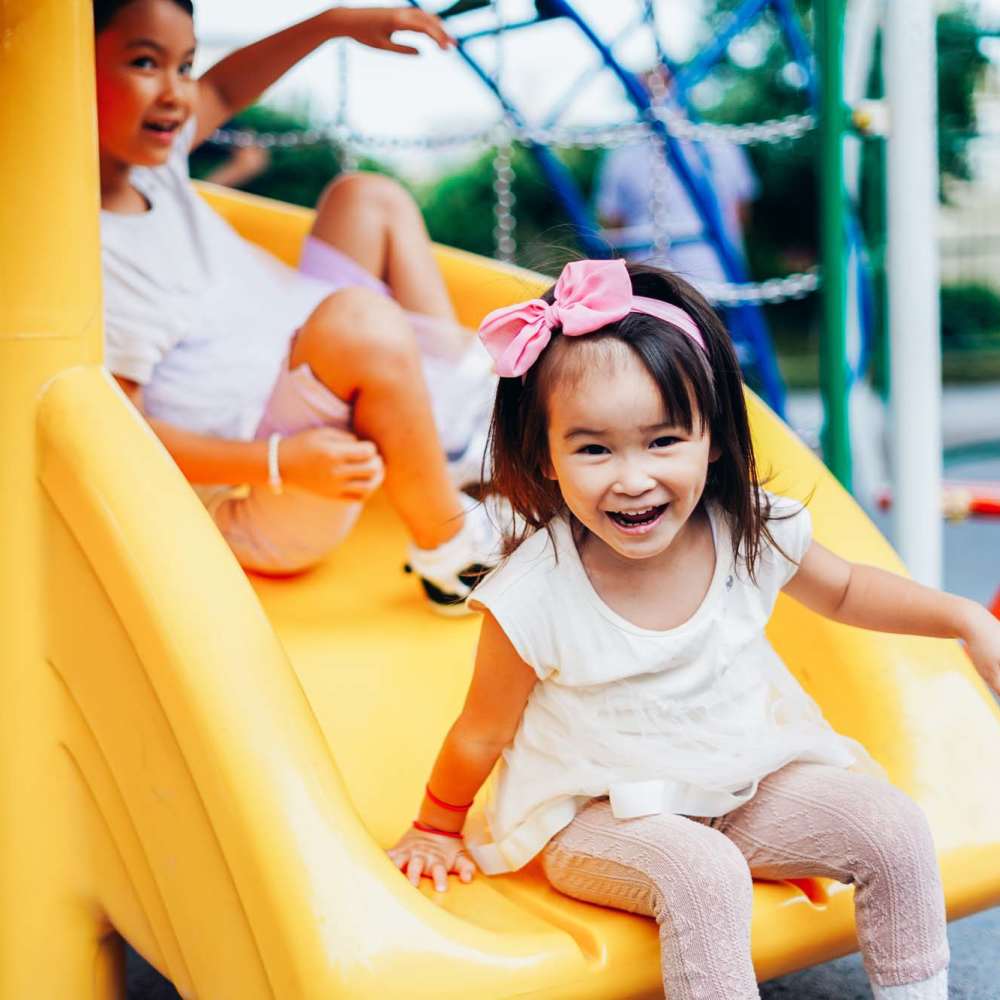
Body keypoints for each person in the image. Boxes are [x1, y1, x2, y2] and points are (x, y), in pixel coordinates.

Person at [387, 259, 1000, 999]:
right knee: (704, 874)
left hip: (739, 783)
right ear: (545, 457)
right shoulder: (535, 594)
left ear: (712, 438)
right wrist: (436, 826)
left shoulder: (745, 527)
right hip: (594, 816)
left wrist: (964, 619)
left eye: (663, 441)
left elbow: (843, 590)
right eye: (593, 448)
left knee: (891, 828)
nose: (632, 477)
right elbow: (480, 732)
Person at [94, 0, 498, 610]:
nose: (177, 93)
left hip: (297, 362)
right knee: (358, 321)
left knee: (366, 198)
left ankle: (458, 420)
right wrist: (280, 461)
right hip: (266, 489)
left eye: (184, 65)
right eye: (145, 63)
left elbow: (224, 89)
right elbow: (122, 436)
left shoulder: (152, 166)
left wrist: (334, 23)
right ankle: (451, 552)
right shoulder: (93, 253)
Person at [596, 71, 758, 289]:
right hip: (662, 283)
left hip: (708, 279)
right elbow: (613, 224)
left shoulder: (719, 146)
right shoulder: (623, 155)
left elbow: (612, 224)